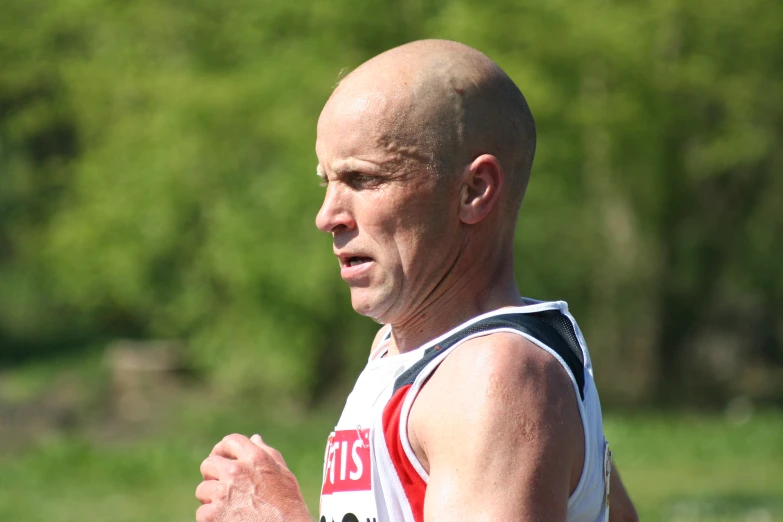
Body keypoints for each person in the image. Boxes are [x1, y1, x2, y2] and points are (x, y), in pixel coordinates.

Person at [195, 39, 638, 522]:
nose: (327, 217)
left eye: (364, 180)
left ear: (474, 191)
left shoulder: (494, 376)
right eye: (328, 181)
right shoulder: (404, 350)